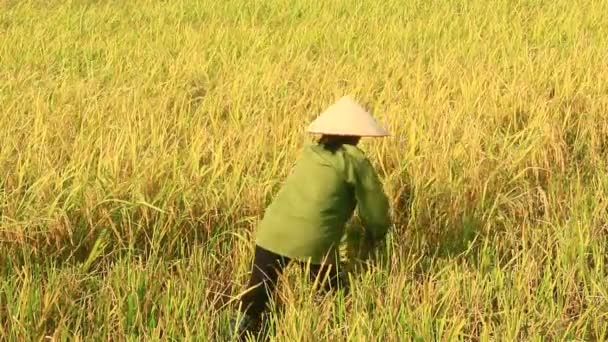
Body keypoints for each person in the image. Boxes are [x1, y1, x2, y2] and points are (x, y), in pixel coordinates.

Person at [230, 95, 392, 340]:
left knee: (258, 291)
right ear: (355, 135)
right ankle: (336, 332)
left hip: (272, 230)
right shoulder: (354, 160)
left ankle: (232, 333)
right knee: (333, 293)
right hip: (314, 239)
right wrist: (377, 233)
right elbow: (375, 205)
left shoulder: (310, 154)